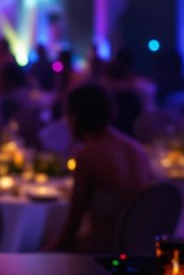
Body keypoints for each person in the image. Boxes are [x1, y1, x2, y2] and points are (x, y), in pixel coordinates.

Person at [42, 83, 151, 253]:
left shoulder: (88, 154)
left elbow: (72, 225)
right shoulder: (136, 148)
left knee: (40, 241)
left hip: (102, 254)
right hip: (140, 249)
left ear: (76, 116)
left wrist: (41, 254)